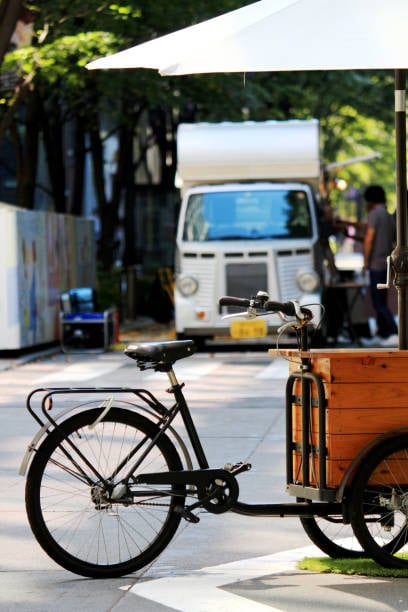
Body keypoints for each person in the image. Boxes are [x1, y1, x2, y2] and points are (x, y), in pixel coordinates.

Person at [360, 185, 398, 347]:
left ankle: (393, 331)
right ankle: (383, 333)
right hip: (387, 261)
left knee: (378, 301)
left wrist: (366, 261)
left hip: (376, 263)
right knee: (381, 299)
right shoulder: (389, 215)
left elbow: (369, 238)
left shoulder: (375, 214)